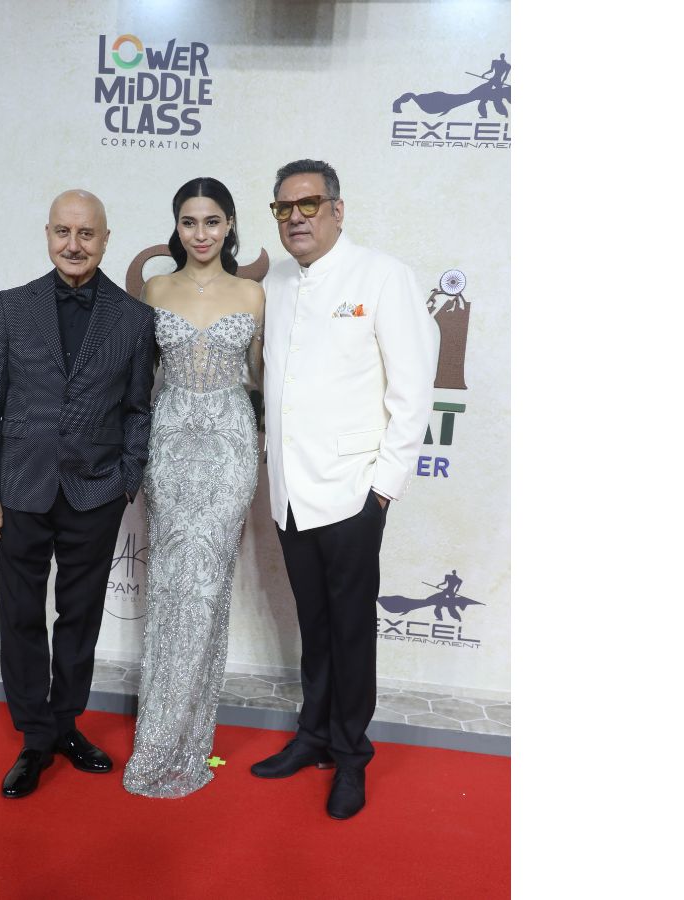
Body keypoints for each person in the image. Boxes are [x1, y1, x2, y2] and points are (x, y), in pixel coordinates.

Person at [250, 159, 439, 819]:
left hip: (354, 491)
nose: (295, 217)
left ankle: (352, 754)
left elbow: (412, 390)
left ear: (337, 209)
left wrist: (383, 489)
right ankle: (313, 735)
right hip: (289, 492)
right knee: (315, 623)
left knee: (352, 630)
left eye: (308, 204)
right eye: (283, 208)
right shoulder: (276, 282)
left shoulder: (383, 276)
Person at [0, 189, 155, 799]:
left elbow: (138, 410)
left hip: (94, 493)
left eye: (86, 233)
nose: (74, 245)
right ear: (48, 234)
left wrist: (125, 481)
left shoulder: (133, 318)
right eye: (63, 232)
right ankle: (34, 737)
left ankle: (66, 723)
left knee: (80, 616)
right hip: (21, 489)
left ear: (106, 239)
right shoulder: (12, 306)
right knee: (21, 614)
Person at [122, 177, 264, 798]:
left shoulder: (253, 294)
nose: (200, 233)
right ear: (176, 227)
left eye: (212, 221)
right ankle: (158, 734)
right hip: (171, 445)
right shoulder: (156, 289)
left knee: (207, 589)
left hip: (230, 448)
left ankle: (189, 734)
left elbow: (262, 379)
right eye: (188, 222)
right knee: (170, 586)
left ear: (230, 225)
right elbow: (140, 378)